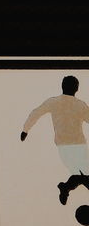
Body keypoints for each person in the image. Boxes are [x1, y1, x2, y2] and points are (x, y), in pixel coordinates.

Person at [21, 75, 89, 205]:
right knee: (84, 176)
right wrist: (25, 130)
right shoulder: (80, 105)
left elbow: (36, 113)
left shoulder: (53, 102)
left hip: (63, 147)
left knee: (82, 176)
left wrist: (25, 130)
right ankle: (65, 187)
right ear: (77, 89)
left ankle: (65, 187)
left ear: (62, 86)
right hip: (78, 146)